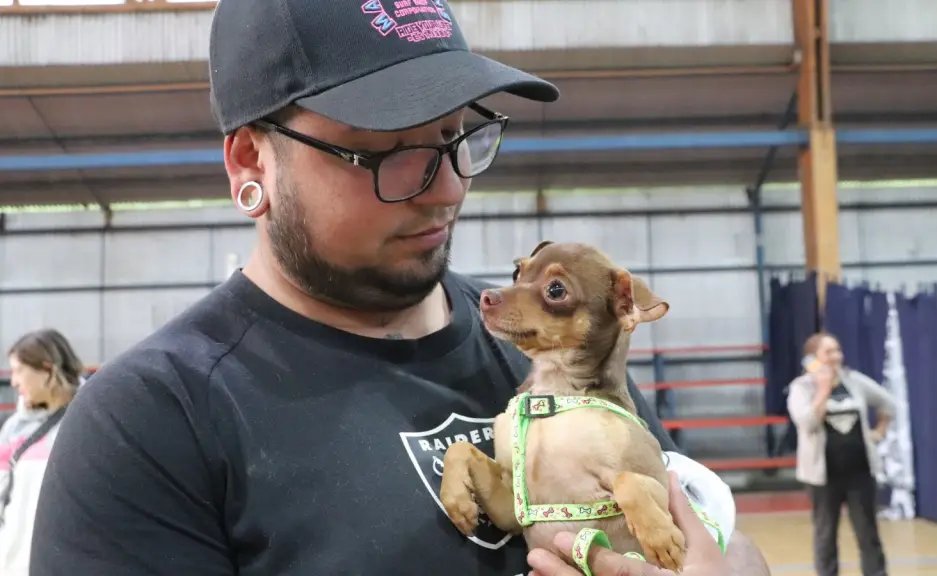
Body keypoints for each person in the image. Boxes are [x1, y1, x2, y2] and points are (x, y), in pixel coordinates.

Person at [30, 1, 771, 575]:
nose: (446, 188)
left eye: (456, 135)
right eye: (383, 152)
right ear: (250, 161)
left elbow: (715, 537)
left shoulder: (550, 346)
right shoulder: (152, 423)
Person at [787, 332, 897, 576]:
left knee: (868, 534)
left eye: (837, 350)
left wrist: (877, 433)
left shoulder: (854, 381)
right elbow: (806, 423)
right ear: (813, 358)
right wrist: (823, 390)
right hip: (823, 477)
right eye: (829, 352)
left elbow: (888, 403)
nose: (836, 356)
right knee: (825, 535)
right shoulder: (801, 388)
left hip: (860, 473)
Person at [0, 329, 85, 576]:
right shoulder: (14, 428)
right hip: (11, 564)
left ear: (47, 369)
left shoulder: (90, 420)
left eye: (18, 370)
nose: (13, 381)